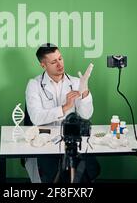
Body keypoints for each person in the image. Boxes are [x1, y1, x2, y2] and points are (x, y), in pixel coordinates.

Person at [25, 43, 99, 183]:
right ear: (43, 65)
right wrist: (64, 108)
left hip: (72, 140)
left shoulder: (76, 82)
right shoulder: (34, 85)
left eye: (60, 58)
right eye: (53, 62)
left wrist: (84, 92)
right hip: (46, 143)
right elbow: (36, 117)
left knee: (84, 172)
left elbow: (86, 115)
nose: (59, 64)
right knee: (52, 176)